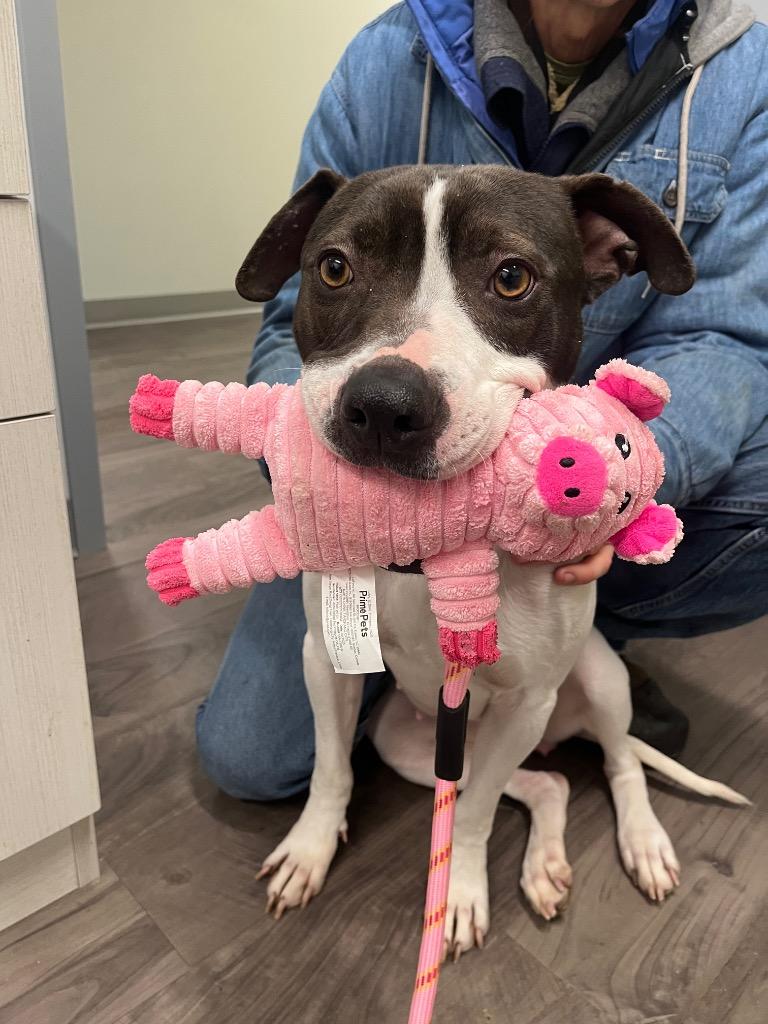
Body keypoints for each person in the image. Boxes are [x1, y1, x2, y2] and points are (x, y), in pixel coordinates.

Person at [196, 0, 768, 800]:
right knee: (248, 759)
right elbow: (280, 325)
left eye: (509, 278)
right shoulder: (384, 57)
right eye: (338, 270)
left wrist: (605, 484)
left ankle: (565, 653)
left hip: (550, 472)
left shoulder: (742, 71)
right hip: (349, 502)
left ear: (611, 253)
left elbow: (721, 341)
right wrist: (301, 474)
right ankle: (417, 676)